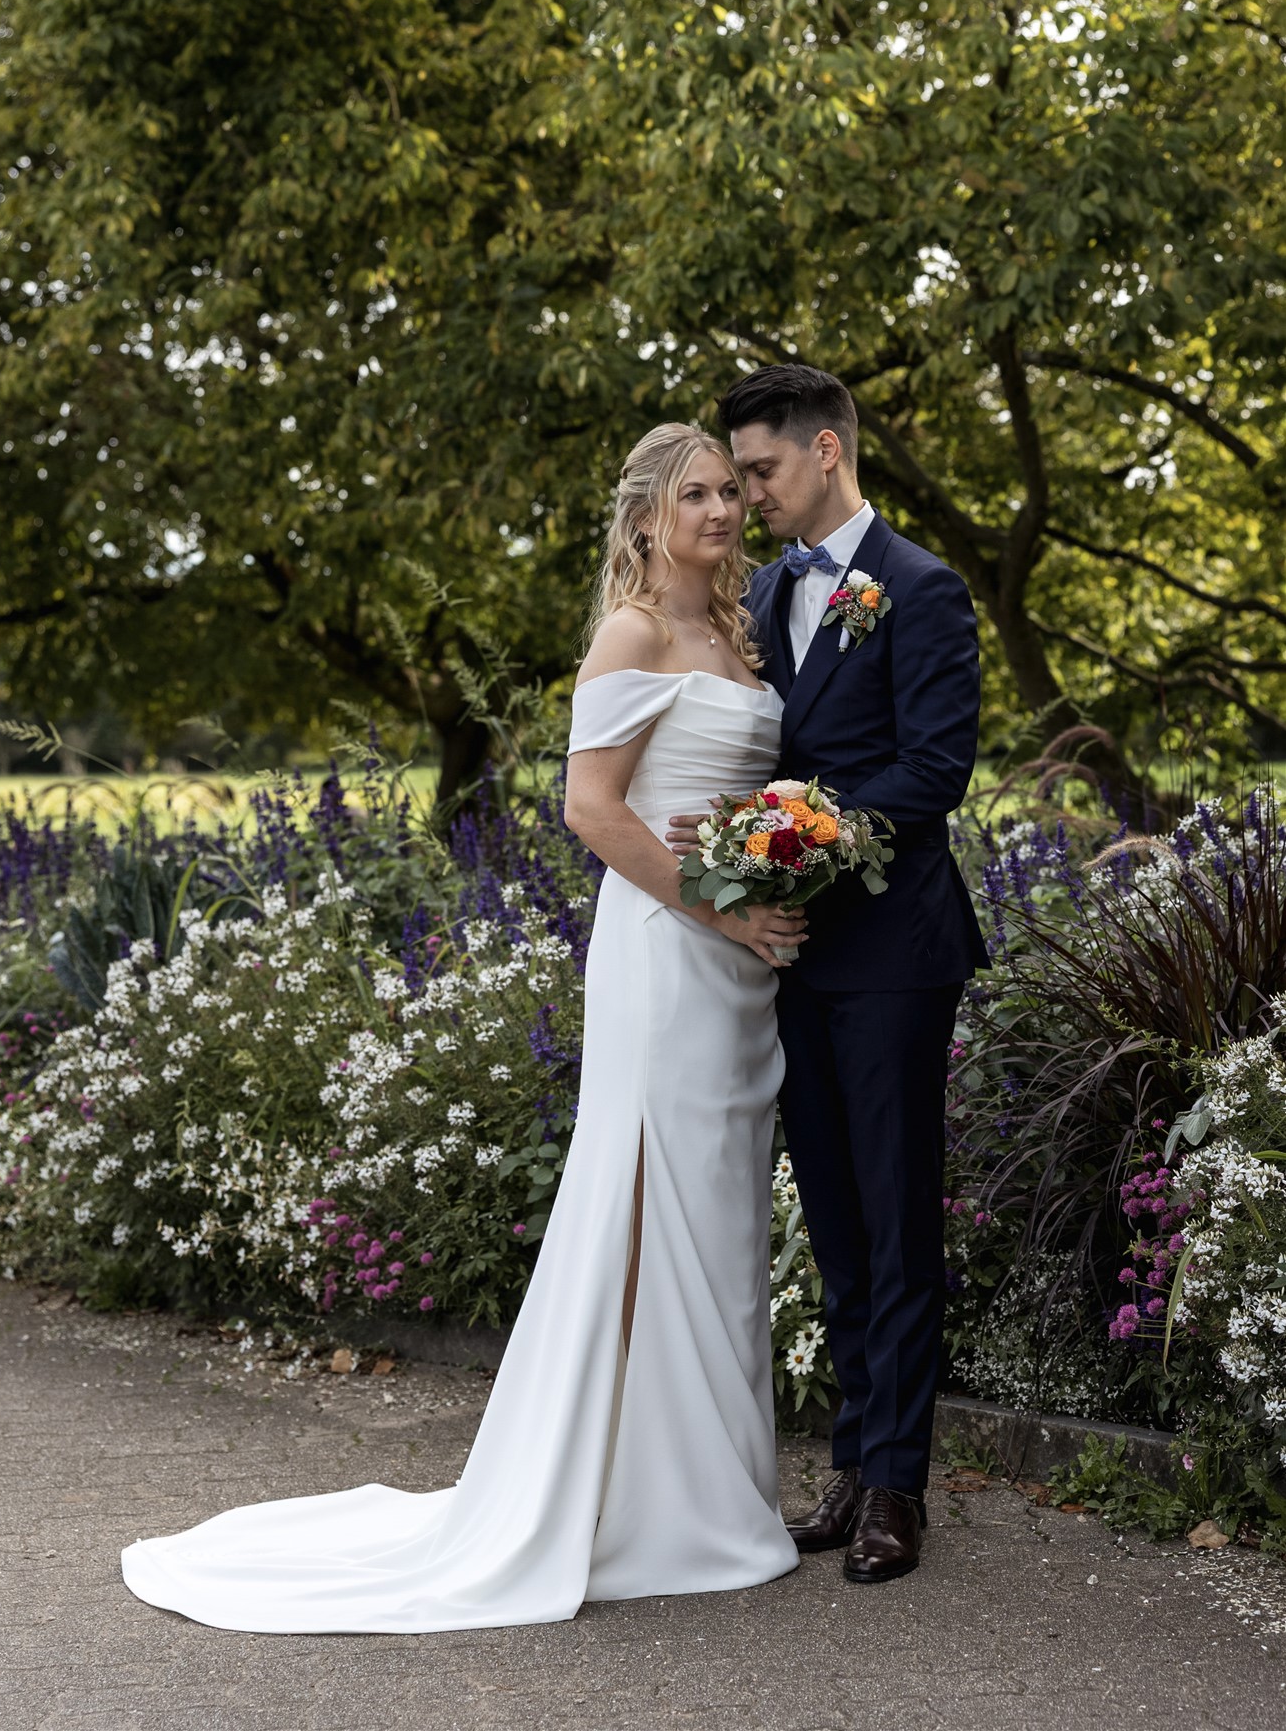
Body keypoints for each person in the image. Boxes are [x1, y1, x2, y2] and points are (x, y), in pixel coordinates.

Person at [119, 422, 809, 1634]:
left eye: (726, 491)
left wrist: (774, 860)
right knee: (655, 1195)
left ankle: (709, 1484)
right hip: (667, 951)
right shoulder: (632, 632)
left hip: (736, 963)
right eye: (694, 493)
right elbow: (591, 809)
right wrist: (726, 906)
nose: (719, 509)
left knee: (719, 1207)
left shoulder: (736, 630)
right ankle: (655, 1503)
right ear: (646, 516)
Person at [667, 364, 989, 1585]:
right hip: (788, 954)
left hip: (895, 952)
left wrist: (795, 829)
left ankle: (899, 1486)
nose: (746, 494)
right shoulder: (759, 592)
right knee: (838, 1222)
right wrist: (732, 844)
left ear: (825, 450)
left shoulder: (923, 586)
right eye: (735, 475)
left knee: (898, 1217)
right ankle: (852, 1461)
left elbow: (935, 769)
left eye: (758, 470)